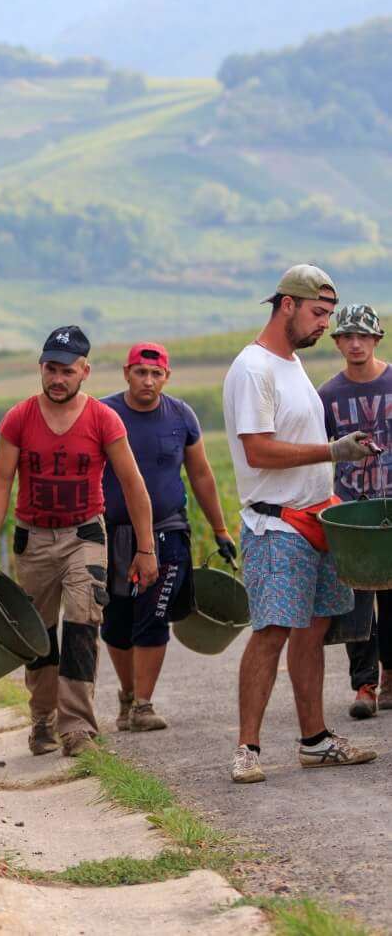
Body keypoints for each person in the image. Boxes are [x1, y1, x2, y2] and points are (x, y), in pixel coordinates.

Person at [222, 264, 378, 784]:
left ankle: (315, 741)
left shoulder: (291, 365)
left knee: (312, 632)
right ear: (286, 304)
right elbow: (259, 450)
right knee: (271, 631)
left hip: (317, 517)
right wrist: (333, 449)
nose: (324, 326)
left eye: (329, 314)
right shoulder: (254, 368)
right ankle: (247, 749)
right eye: (318, 313)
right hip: (276, 525)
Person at [0, 326, 158, 757]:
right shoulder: (19, 418)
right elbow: (1, 482)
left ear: (85, 372)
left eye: (67, 371)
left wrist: (146, 549)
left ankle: (78, 727)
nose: (58, 379)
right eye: (50, 369)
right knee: (38, 634)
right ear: (41, 368)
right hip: (33, 539)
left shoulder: (102, 419)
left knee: (82, 621)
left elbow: (133, 484)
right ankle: (43, 718)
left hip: (85, 536)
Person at [101, 342, 236, 732]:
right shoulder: (105, 413)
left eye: (155, 374)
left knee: (155, 613)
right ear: (126, 373)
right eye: (140, 373)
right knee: (116, 620)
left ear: (166, 377)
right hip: (114, 534)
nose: (148, 381)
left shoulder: (181, 416)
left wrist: (221, 529)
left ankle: (144, 703)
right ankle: (127, 694)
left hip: (168, 531)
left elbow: (201, 476)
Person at [317, 305, 392, 719]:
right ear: (338, 342)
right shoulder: (328, 395)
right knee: (356, 600)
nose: (355, 343)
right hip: (352, 510)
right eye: (347, 337)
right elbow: (317, 452)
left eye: (363, 336)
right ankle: (364, 685)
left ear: (377, 339)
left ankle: (391, 676)